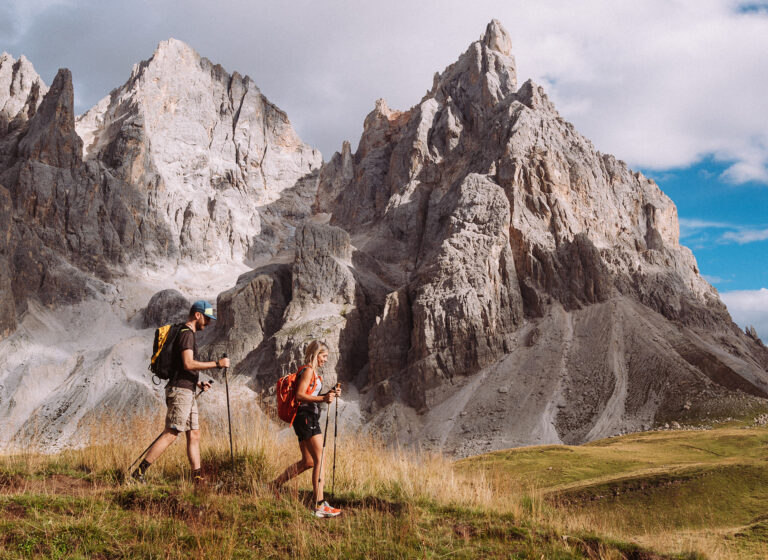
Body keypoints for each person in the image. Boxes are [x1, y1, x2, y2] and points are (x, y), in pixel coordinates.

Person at [132, 300, 230, 485]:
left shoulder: (186, 334)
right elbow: (188, 363)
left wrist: (197, 382)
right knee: (172, 432)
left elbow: (182, 367)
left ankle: (198, 479)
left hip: (187, 389)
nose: (208, 323)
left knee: (194, 434)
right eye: (207, 319)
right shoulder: (187, 335)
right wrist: (217, 364)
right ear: (197, 315)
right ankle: (138, 473)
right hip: (181, 391)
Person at [271, 340, 342, 518]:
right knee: (320, 459)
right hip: (306, 418)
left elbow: (310, 395)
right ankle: (319, 505)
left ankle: (274, 485)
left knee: (308, 461)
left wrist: (329, 393)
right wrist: (323, 399)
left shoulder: (313, 373)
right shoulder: (308, 370)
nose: (325, 360)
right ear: (316, 354)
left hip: (304, 418)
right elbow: (300, 395)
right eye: (324, 356)